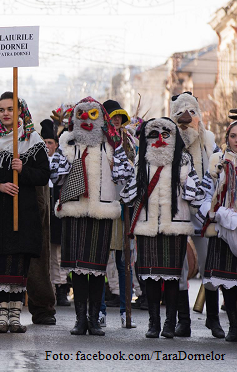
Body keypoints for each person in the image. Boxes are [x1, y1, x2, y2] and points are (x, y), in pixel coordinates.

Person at [50, 97, 134, 336]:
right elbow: (54, 174)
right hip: (74, 211)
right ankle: (80, 320)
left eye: (93, 115)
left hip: (101, 212)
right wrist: (66, 165)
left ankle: (94, 318)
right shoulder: (66, 142)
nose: (86, 120)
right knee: (77, 269)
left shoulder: (111, 144)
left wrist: (122, 156)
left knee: (97, 269)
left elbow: (125, 174)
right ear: (75, 118)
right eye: (82, 115)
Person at [0, 93, 50, 333]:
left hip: (22, 213)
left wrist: (22, 168)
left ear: (19, 112)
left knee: (18, 264)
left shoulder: (31, 140)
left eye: (10, 109)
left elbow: (43, 175)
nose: (6, 113)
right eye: (2, 109)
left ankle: (15, 316)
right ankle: (1, 315)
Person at [121, 118, 203, 338]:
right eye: (154, 134)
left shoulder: (184, 158)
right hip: (147, 226)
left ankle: (170, 324)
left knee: (172, 278)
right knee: (149, 276)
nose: (159, 139)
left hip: (174, 225)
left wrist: (188, 186)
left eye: (165, 134)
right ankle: (153, 324)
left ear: (173, 136)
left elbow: (197, 195)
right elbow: (128, 194)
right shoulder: (142, 160)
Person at [170, 92, 224, 338]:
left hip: (203, 211)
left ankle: (213, 319)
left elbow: (218, 172)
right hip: (178, 209)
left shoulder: (209, 142)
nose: (187, 118)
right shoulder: (169, 141)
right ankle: (183, 321)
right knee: (179, 266)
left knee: (208, 266)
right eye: (182, 113)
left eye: (192, 113)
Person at [200, 120, 237, 341]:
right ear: (227, 137)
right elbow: (204, 194)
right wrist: (215, 213)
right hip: (222, 228)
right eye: (233, 136)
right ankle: (234, 325)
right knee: (227, 280)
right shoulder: (217, 161)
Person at [102, 99, 137, 328]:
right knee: (100, 261)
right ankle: (100, 310)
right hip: (103, 204)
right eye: (111, 116)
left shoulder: (129, 141)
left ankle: (126, 310)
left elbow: (135, 168)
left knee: (123, 261)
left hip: (124, 203)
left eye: (118, 117)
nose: (116, 120)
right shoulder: (99, 140)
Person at [40, 118, 69, 307]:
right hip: (44, 210)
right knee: (47, 254)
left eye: (50, 142)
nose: (47, 146)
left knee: (59, 254)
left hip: (58, 210)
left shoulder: (62, 161)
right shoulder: (40, 160)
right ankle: (49, 288)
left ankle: (62, 289)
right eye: (44, 143)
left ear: (56, 144)